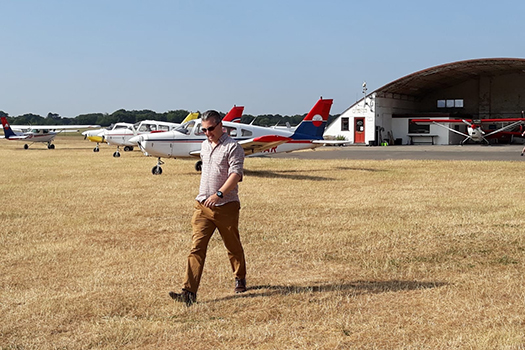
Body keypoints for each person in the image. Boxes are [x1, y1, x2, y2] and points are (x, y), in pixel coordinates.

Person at [169, 110, 247, 306]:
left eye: (211, 129)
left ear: (221, 125)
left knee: (232, 246)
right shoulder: (204, 146)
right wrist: (206, 197)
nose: (207, 133)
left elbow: (236, 174)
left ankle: (240, 277)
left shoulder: (233, 147)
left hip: (225, 206)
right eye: (204, 129)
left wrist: (219, 193)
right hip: (202, 206)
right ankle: (188, 292)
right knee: (196, 248)